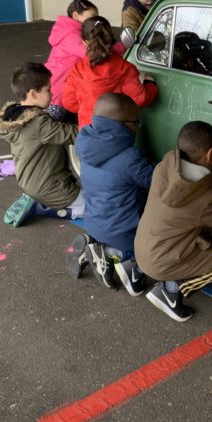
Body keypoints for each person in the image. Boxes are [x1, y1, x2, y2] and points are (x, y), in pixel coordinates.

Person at [135, 121, 212, 322]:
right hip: (159, 262)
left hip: (142, 247)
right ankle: (171, 291)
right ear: (210, 154)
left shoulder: (165, 166)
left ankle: (141, 270)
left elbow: (197, 172)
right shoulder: (207, 199)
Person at [66, 93, 154, 295]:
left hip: (94, 221)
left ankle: (94, 247)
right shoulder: (130, 158)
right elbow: (159, 182)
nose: (139, 127)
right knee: (148, 250)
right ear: (121, 124)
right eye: (136, 122)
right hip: (123, 233)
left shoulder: (85, 142)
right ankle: (109, 255)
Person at [0, 62, 85, 227]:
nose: (52, 94)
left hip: (29, 182)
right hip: (50, 187)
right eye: (48, 90)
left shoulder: (15, 114)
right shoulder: (38, 124)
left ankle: (36, 198)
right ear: (33, 94)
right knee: (94, 208)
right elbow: (75, 134)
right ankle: (46, 208)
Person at [62, 15, 158, 128]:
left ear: (84, 42)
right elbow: (140, 99)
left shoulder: (78, 70)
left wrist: (87, 108)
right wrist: (151, 85)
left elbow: (69, 102)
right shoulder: (125, 68)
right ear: (112, 37)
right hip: (116, 133)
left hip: (88, 132)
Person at [44, 0, 98, 120]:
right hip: (58, 91)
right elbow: (94, 53)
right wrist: (120, 49)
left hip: (58, 87)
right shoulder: (72, 35)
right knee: (57, 128)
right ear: (75, 15)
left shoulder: (72, 31)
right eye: (92, 16)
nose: (95, 20)